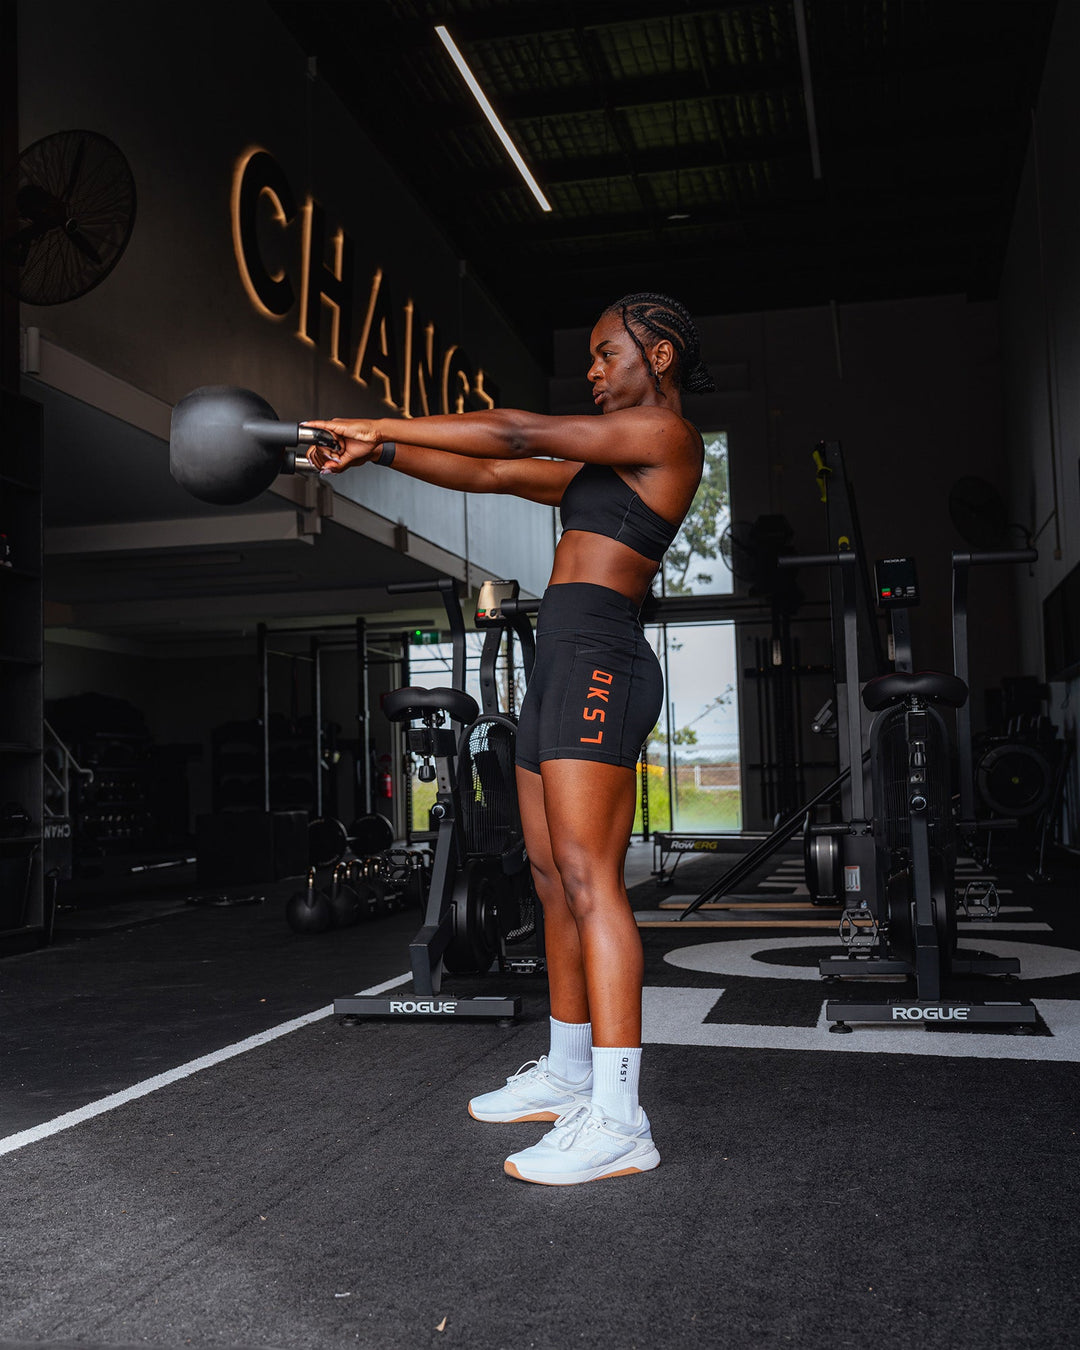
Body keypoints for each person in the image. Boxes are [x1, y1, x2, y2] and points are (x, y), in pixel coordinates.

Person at [305, 292, 715, 1186]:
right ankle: (569, 1074)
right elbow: (492, 472)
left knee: (589, 879)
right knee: (548, 876)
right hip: (560, 660)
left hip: (601, 658)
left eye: (608, 354)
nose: (594, 371)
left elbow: (516, 430)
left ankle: (620, 1118)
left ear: (661, 356)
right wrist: (381, 453)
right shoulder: (602, 470)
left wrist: (377, 420)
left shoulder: (666, 437)